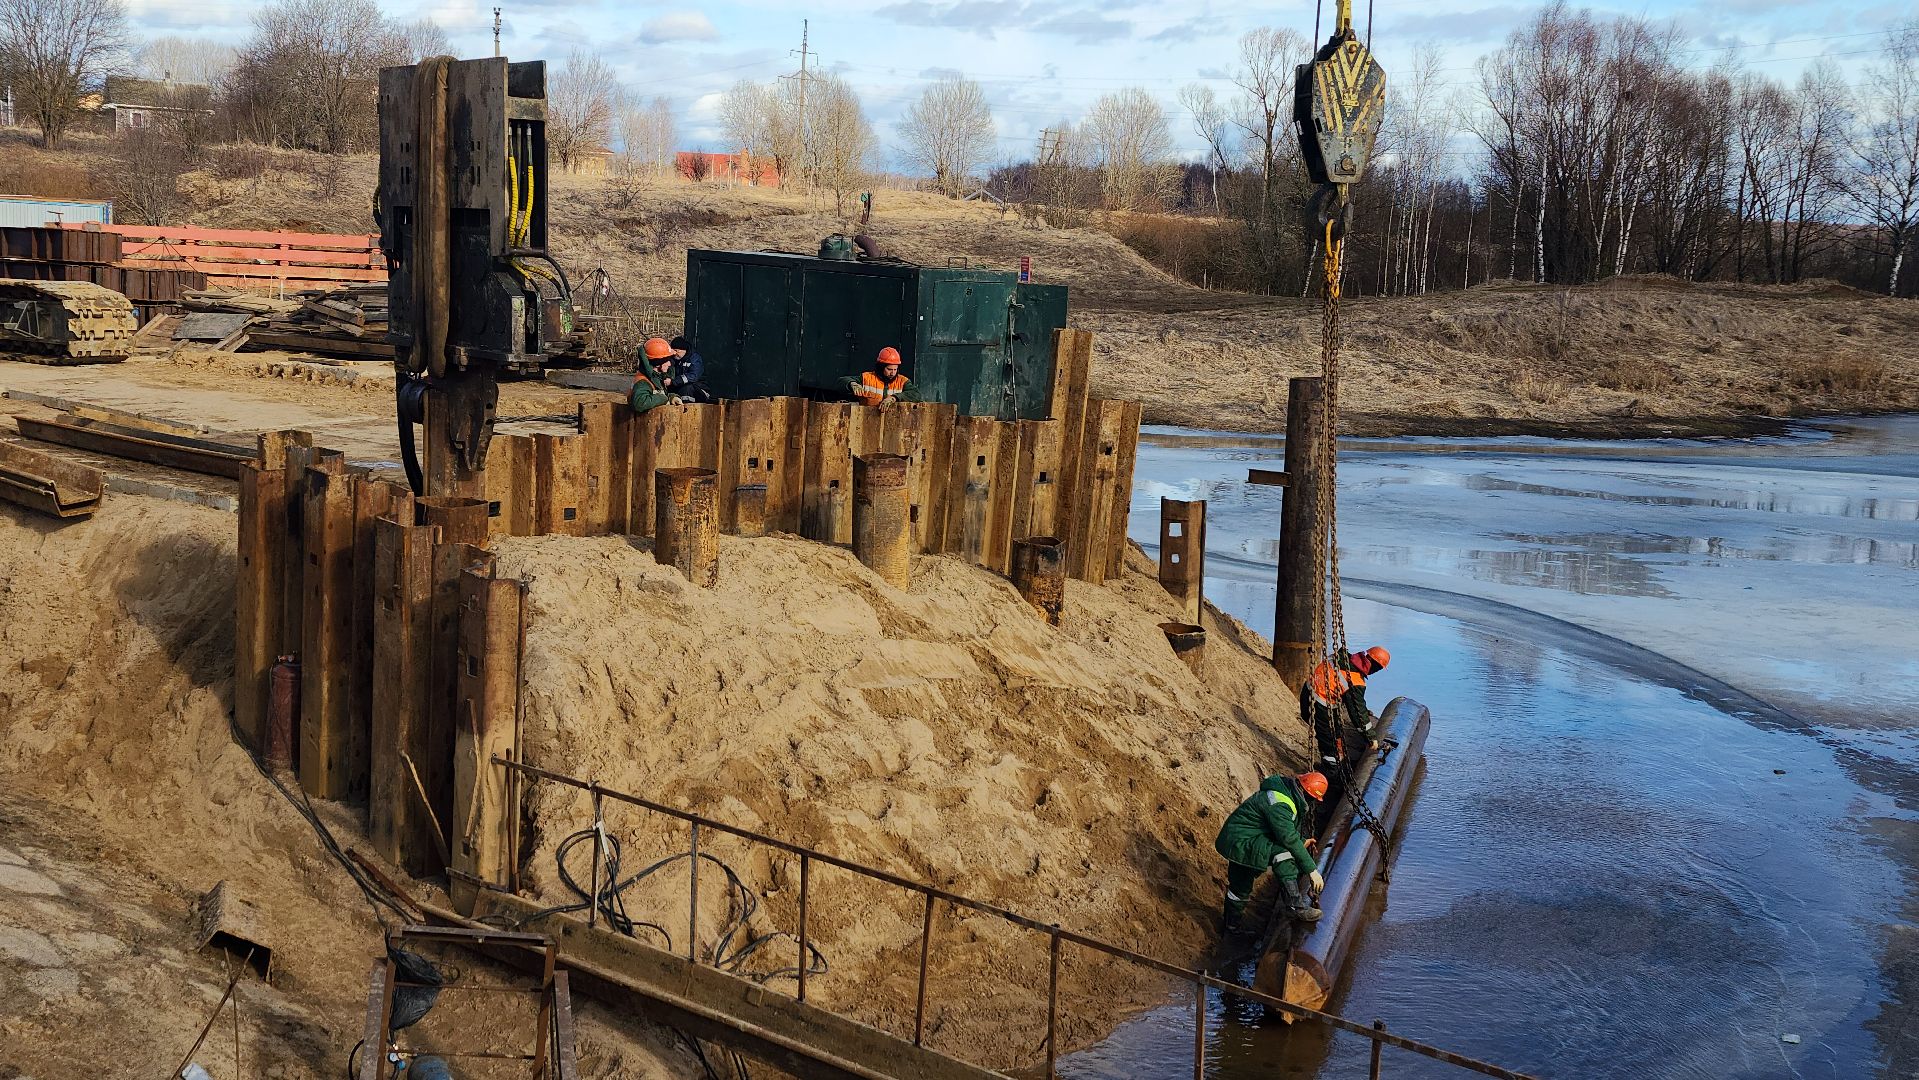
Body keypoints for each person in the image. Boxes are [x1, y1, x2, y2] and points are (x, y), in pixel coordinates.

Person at [1214, 771, 1329, 929]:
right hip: (1243, 843)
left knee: (1239, 888)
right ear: (1306, 793)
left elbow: (1282, 828)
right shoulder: (1281, 804)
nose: (1312, 803)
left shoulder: (1285, 793)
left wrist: (1302, 841)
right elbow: (1288, 838)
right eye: (1312, 799)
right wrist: (1312, 870)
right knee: (1283, 854)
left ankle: (1231, 928)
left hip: (1242, 839)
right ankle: (1295, 906)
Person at [1302, 646, 1391, 799]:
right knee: (1330, 745)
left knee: (1336, 738)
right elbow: (1357, 712)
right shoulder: (1354, 680)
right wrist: (1371, 738)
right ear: (1373, 665)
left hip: (1308, 694)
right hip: (1321, 706)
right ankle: (1330, 783)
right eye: (1377, 669)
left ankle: (1332, 767)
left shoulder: (1341, 657)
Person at [844, 346, 920, 408]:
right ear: (881, 367)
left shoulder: (902, 381)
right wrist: (853, 384)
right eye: (889, 369)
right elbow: (842, 381)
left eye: (895, 369)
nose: (893, 373)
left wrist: (894, 397)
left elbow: (916, 394)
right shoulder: (867, 378)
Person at [629, 337, 676, 415]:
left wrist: (671, 397)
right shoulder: (643, 382)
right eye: (667, 360)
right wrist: (664, 398)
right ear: (658, 364)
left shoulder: (655, 377)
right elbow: (639, 404)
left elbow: (656, 394)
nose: (669, 364)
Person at [664, 336, 714, 403]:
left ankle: (685, 408)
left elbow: (693, 376)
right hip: (681, 387)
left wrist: (673, 382)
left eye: (676, 350)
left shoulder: (695, 359)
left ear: (684, 350)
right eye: (673, 350)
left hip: (700, 389)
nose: (674, 353)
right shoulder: (676, 359)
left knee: (686, 389)